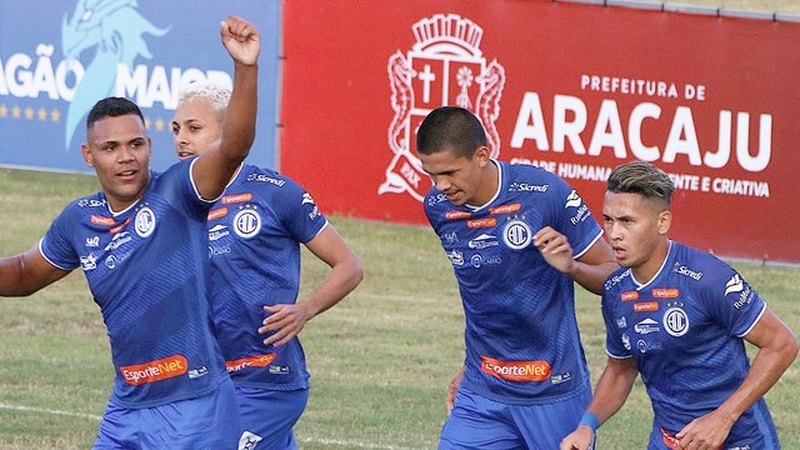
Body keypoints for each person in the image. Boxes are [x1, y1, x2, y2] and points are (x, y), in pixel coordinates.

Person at [0, 15, 260, 449]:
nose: (126, 157)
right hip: (128, 407)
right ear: (89, 155)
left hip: (196, 406)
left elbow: (233, 147)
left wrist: (246, 68)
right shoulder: (78, 220)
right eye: (111, 148)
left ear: (149, 146)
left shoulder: (179, 191)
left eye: (135, 144)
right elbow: (27, 272)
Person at [170, 80, 364, 449]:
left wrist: (305, 309)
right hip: (207, 378)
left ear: (230, 131)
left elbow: (348, 265)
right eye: (177, 129)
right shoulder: (172, 198)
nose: (181, 139)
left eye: (195, 129)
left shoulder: (275, 193)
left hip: (267, 380)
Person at [416, 106, 618, 449]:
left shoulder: (543, 193)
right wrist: (471, 365)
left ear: (482, 155)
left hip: (551, 388)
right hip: (483, 390)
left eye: (450, 172)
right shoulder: (438, 207)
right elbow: (486, 294)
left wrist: (573, 268)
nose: (441, 185)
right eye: (431, 174)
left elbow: (615, 275)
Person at [560, 160, 800, 450]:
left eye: (627, 221)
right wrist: (587, 426)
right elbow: (621, 370)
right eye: (608, 220)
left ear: (663, 222)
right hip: (669, 440)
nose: (613, 234)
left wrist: (723, 418)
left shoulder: (707, 279)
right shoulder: (615, 291)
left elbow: (782, 343)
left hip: (739, 439)